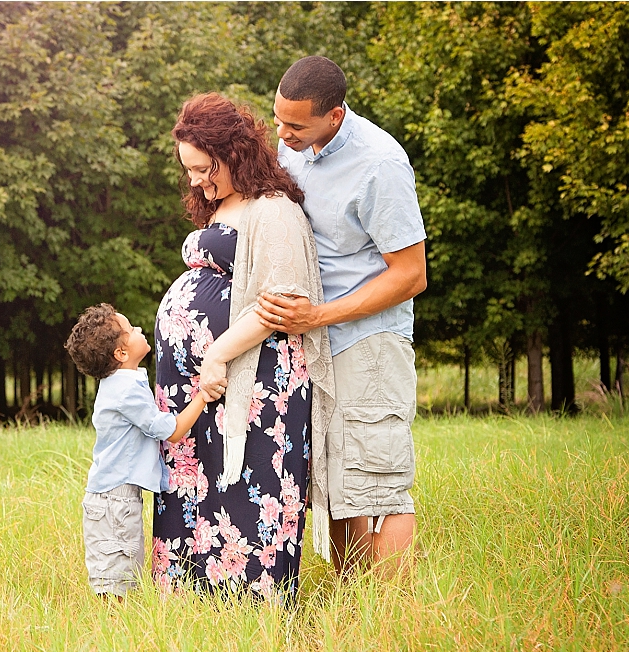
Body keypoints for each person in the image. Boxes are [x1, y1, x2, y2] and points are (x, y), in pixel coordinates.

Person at [151, 93, 335, 601]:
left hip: (254, 384)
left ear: (233, 153)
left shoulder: (273, 209)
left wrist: (215, 354)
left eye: (203, 168)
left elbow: (282, 298)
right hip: (202, 389)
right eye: (187, 170)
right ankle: (193, 607)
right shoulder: (220, 206)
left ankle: (254, 613)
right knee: (197, 492)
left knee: (248, 493)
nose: (194, 180)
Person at [257, 55, 427, 578]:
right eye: (278, 119)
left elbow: (411, 273)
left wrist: (319, 315)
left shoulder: (380, 163)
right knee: (334, 482)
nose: (282, 133)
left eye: (295, 125)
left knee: (380, 483)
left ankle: (392, 615)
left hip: (369, 343)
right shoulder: (297, 151)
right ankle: (354, 604)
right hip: (317, 340)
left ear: (333, 116)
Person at [65, 303, 211, 599]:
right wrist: (203, 396)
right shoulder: (125, 391)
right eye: (131, 330)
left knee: (123, 573)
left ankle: (117, 632)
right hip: (113, 503)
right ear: (121, 353)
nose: (140, 330)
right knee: (117, 581)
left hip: (115, 499)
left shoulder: (123, 384)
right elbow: (171, 430)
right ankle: (113, 634)